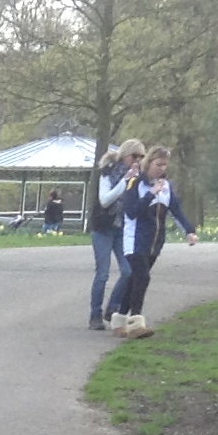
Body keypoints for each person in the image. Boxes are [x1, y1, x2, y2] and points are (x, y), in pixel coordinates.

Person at [108, 145, 198, 336]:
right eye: (158, 164)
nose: (162, 169)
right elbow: (131, 212)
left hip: (155, 242)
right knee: (143, 277)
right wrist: (151, 194)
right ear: (149, 163)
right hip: (135, 241)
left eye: (165, 165)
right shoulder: (135, 184)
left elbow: (176, 211)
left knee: (134, 279)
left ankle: (119, 319)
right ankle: (136, 322)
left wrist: (189, 231)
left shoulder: (167, 187)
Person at [87, 138, 145, 331]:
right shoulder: (109, 172)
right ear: (124, 155)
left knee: (128, 271)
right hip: (103, 227)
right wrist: (124, 182)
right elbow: (105, 200)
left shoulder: (139, 177)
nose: (137, 160)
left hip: (122, 229)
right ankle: (95, 314)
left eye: (141, 157)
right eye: (134, 156)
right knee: (102, 273)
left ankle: (112, 308)